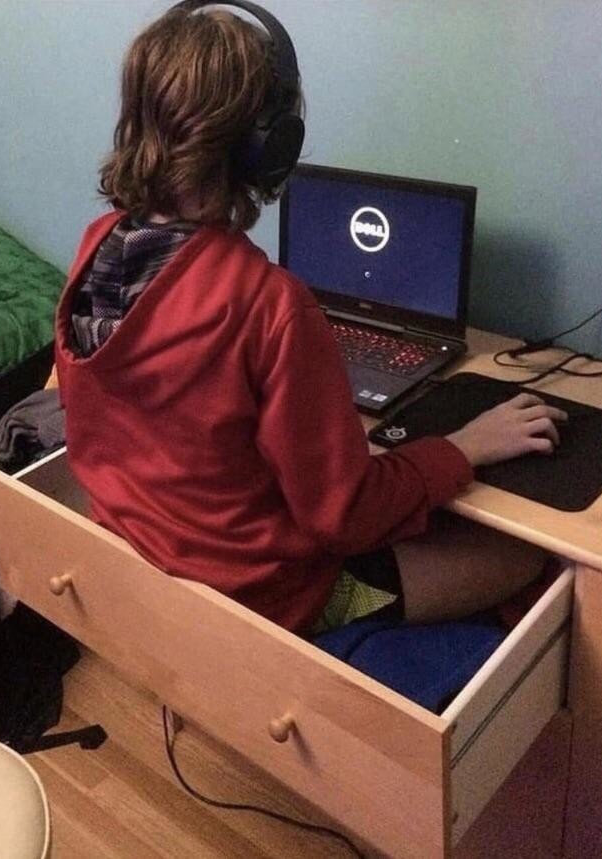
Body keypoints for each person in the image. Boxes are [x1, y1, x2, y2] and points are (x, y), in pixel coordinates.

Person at [54, 1, 567, 635]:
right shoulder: (268, 304)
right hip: (265, 591)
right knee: (527, 559)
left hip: (144, 549)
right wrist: (463, 447)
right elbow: (344, 516)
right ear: (268, 146)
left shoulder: (98, 246)